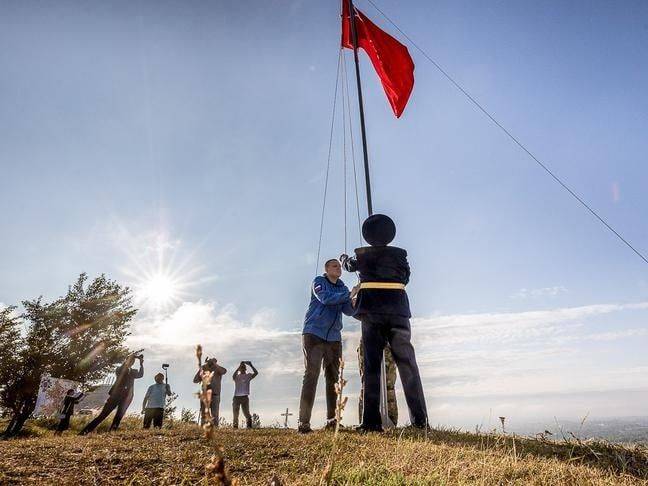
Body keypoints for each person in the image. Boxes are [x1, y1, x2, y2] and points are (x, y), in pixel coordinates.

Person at [341, 214, 428, 432]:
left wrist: (343, 258)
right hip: (398, 312)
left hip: (372, 313)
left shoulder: (362, 254)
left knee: (372, 367)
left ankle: (371, 423)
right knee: (408, 365)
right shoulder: (400, 255)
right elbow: (406, 277)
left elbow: (350, 266)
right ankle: (420, 422)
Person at [298, 258, 357, 433]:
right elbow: (325, 299)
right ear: (326, 269)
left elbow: (348, 310)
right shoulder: (318, 282)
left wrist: (356, 301)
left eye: (339, 266)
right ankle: (304, 423)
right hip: (313, 334)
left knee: (333, 378)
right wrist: (349, 295)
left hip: (333, 338)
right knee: (311, 375)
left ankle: (332, 420)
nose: (338, 268)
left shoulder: (343, 288)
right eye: (334, 266)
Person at [79, 353, 144, 435]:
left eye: (132, 361)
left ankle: (111, 433)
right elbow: (122, 370)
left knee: (118, 417)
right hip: (115, 395)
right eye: (130, 360)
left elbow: (141, 375)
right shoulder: (119, 369)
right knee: (103, 415)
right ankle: (84, 432)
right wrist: (130, 358)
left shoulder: (134, 371)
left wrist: (141, 364)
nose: (131, 362)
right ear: (126, 361)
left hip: (126, 397)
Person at [357, 344, 398, 426]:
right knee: (367, 384)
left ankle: (390, 420)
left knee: (388, 384)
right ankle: (366, 421)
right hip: (367, 342)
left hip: (387, 342)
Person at [193, 357, 227, 426]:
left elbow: (224, 371)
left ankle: (215, 430)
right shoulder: (204, 369)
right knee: (204, 414)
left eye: (212, 362)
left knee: (215, 414)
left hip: (215, 394)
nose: (210, 364)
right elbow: (195, 380)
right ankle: (203, 429)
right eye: (209, 362)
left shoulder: (218, 369)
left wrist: (215, 364)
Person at [232, 361, 258, 429]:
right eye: (241, 367)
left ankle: (249, 427)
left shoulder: (248, 376)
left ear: (245, 369)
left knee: (246, 413)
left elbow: (256, 373)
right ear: (239, 369)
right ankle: (235, 427)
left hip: (245, 398)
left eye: (244, 367)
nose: (242, 368)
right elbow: (233, 376)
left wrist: (251, 365)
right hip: (236, 397)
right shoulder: (237, 376)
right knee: (235, 414)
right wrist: (239, 367)